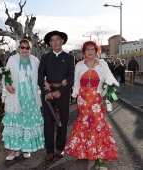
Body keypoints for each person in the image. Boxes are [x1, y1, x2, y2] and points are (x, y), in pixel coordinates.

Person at [64, 41, 119, 170]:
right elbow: (76, 82)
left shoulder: (103, 64)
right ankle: (84, 151)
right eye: (87, 49)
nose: (90, 51)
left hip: (98, 101)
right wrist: (75, 94)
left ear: (96, 51)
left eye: (92, 49)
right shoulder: (79, 65)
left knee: (98, 126)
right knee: (85, 124)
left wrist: (110, 86)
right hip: (83, 101)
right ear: (84, 52)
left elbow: (111, 79)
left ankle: (100, 158)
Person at [1, 39, 44, 161]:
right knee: (17, 121)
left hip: (30, 96)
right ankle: (15, 149)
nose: (24, 49)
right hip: (16, 95)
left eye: (27, 47)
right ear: (18, 48)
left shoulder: (35, 61)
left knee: (28, 122)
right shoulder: (12, 60)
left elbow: (41, 76)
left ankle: (26, 147)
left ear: (30, 49)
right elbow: (6, 74)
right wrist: (8, 85)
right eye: (22, 47)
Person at [38, 30, 75, 161]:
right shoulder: (45, 58)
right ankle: (49, 151)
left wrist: (60, 91)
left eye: (57, 39)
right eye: (52, 40)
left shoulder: (70, 58)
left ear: (62, 41)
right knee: (48, 122)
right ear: (49, 43)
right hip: (48, 94)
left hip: (63, 94)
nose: (55, 42)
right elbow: (40, 76)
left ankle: (59, 149)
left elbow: (71, 78)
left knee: (63, 122)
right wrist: (47, 92)